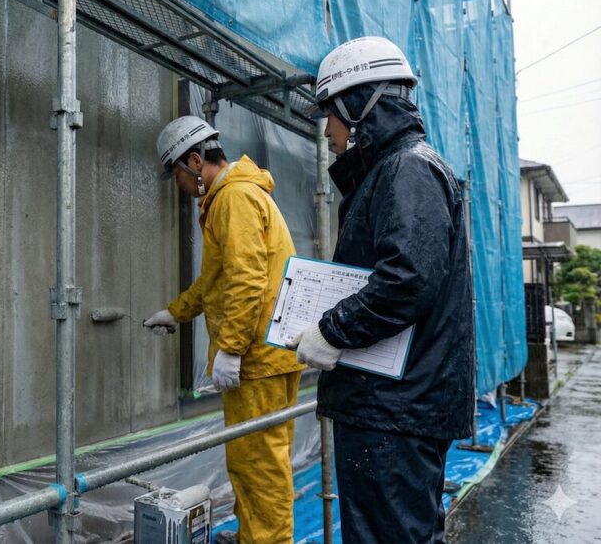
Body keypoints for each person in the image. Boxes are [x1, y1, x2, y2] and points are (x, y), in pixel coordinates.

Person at [288, 36, 475, 543]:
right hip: (395, 405)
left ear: (359, 106)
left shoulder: (406, 168)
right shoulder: (394, 169)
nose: (327, 131)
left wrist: (332, 330)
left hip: (394, 409)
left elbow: (408, 278)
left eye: (330, 114)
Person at [143, 116, 305, 544]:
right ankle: (254, 535)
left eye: (178, 174)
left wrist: (230, 348)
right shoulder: (236, 195)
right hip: (268, 354)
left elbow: (247, 279)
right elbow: (216, 279)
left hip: (257, 360)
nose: (180, 185)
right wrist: (175, 313)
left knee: (260, 466)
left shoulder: (233, 198)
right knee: (255, 459)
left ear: (195, 162)